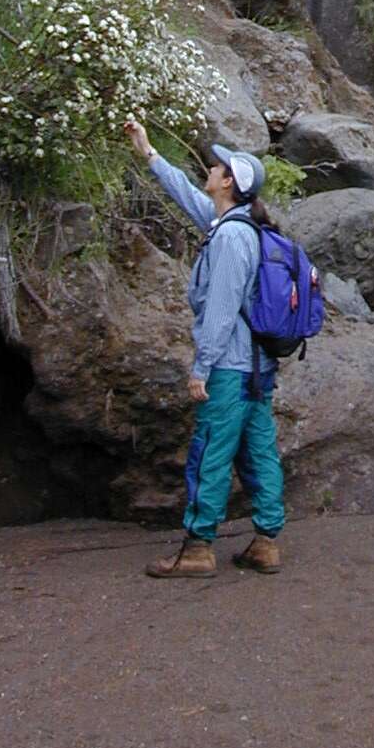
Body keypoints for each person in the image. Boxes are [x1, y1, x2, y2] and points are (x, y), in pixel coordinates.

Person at [124, 118, 285, 578]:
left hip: (231, 367)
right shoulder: (231, 223)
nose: (209, 169)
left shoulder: (232, 237)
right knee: (258, 450)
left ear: (230, 182)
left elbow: (221, 307)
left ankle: (197, 549)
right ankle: (267, 543)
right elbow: (186, 197)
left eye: (216, 167)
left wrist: (202, 367)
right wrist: (149, 153)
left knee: (211, 448)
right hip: (256, 367)